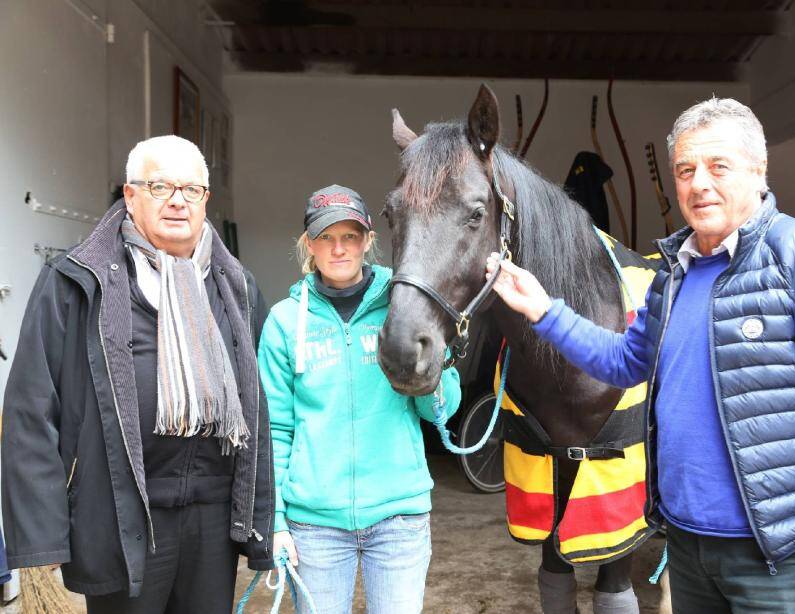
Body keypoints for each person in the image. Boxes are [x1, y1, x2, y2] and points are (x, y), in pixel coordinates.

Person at [485, 98, 795, 614]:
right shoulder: (671, 274)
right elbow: (626, 362)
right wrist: (544, 311)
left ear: (758, 170)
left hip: (778, 557)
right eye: (685, 169)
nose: (699, 182)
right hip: (685, 547)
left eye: (717, 165)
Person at [1, 135, 275, 613]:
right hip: (122, 511)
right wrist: (42, 534)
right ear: (130, 196)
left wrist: (260, 517)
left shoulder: (236, 286)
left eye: (191, 190)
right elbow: (31, 408)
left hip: (212, 517)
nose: (177, 200)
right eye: (160, 186)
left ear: (206, 200)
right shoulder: (76, 280)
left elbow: (259, 407)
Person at [258, 184, 461, 614]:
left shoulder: (402, 306)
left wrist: (436, 360)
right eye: (326, 237)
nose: (338, 249)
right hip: (314, 525)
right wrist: (275, 522)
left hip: (398, 519)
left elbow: (439, 410)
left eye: (349, 236)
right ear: (309, 244)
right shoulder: (283, 322)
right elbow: (274, 429)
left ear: (368, 240)